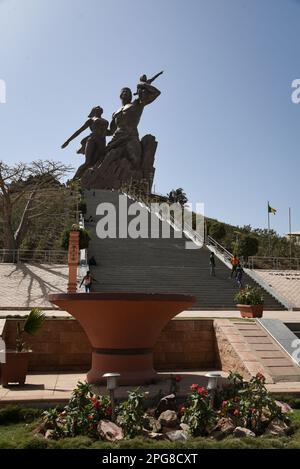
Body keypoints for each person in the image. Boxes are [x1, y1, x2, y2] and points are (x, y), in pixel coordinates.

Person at [61, 106, 109, 179]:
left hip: (102, 141)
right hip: (92, 140)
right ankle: (74, 180)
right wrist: (68, 141)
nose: (99, 107)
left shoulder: (105, 121)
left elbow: (108, 132)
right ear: (94, 111)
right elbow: (79, 131)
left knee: (99, 161)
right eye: (97, 108)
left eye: (100, 108)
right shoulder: (91, 120)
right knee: (88, 162)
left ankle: (91, 179)